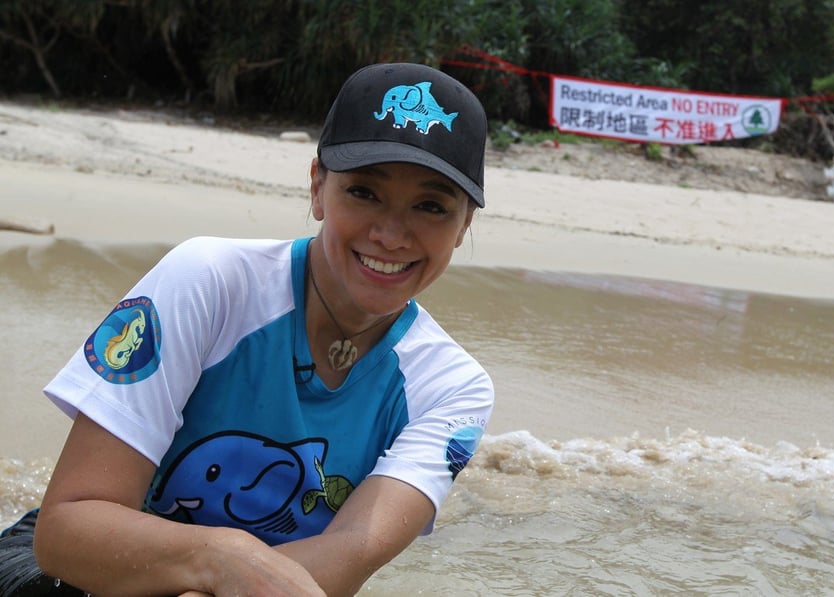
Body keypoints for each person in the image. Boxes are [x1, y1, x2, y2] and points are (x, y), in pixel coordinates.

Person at [0, 62, 493, 596]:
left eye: (431, 207)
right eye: (364, 193)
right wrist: (220, 558)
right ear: (317, 187)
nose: (392, 234)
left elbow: (351, 552)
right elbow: (66, 531)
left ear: (464, 225)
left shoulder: (451, 389)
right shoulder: (208, 282)